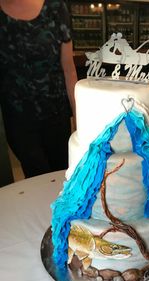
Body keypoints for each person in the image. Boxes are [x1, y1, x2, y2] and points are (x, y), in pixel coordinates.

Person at [0, 0, 78, 178]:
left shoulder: (56, 7)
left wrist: (79, 120)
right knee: (36, 175)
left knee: (62, 176)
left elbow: (69, 70)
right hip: (18, 121)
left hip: (57, 116)